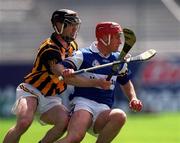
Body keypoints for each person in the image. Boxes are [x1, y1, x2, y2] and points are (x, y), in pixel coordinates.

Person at [3, 10, 110, 143]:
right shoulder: (49, 48)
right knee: (24, 122)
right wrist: (95, 82)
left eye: (76, 25)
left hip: (51, 97)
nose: (75, 29)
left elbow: (83, 63)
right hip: (31, 90)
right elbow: (60, 71)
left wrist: (109, 56)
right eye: (71, 25)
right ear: (59, 26)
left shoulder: (73, 46)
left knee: (65, 122)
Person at [55, 22, 143, 143]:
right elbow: (63, 72)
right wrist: (66, 71)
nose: (120, 42)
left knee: (120, 116)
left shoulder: (118, 59)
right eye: (117, 37)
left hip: (103, 110)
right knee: (74, 138)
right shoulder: (83, 55)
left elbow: (126, 82)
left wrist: (133, 98)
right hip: (82, 104)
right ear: (105, 38)